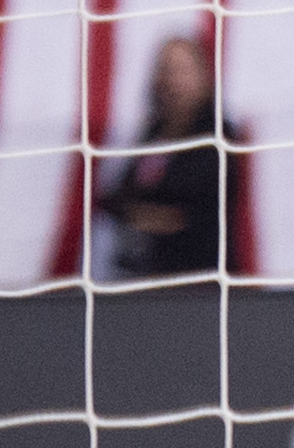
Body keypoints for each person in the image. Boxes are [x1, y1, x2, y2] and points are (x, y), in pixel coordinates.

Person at [94, 36, 229, 280]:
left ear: (204, 76)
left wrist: (146, 215)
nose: (172, 80)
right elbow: (115, 197)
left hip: (196, 279)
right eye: (166, 69)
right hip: (141, 274)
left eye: (182, 70)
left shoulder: (218, 134)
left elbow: (198, 209)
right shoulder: (153, 133)